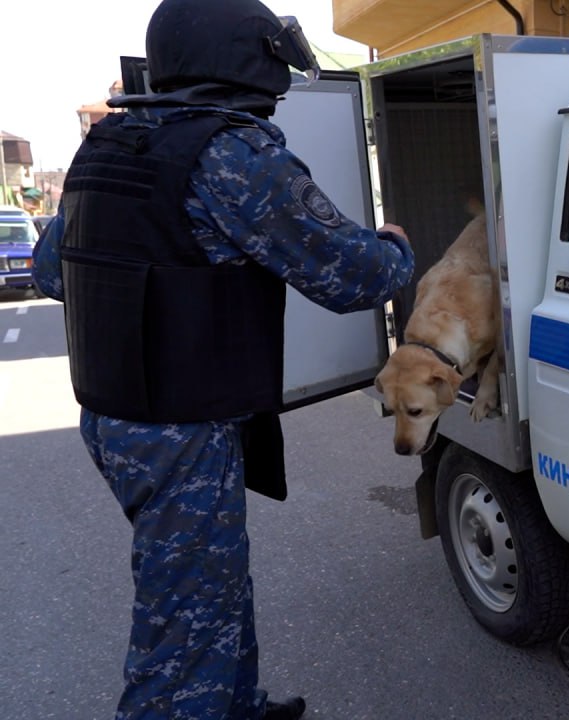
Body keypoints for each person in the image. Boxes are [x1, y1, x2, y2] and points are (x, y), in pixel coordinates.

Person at [32, 1, 415, 718]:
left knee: (212, 587)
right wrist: (394, 241)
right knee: (180, 631)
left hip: (118, 418)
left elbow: (55, 272)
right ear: (248, 59)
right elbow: (353, 276)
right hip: (182, 428)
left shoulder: (109, 144)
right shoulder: (231, 151)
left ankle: (237, 705)